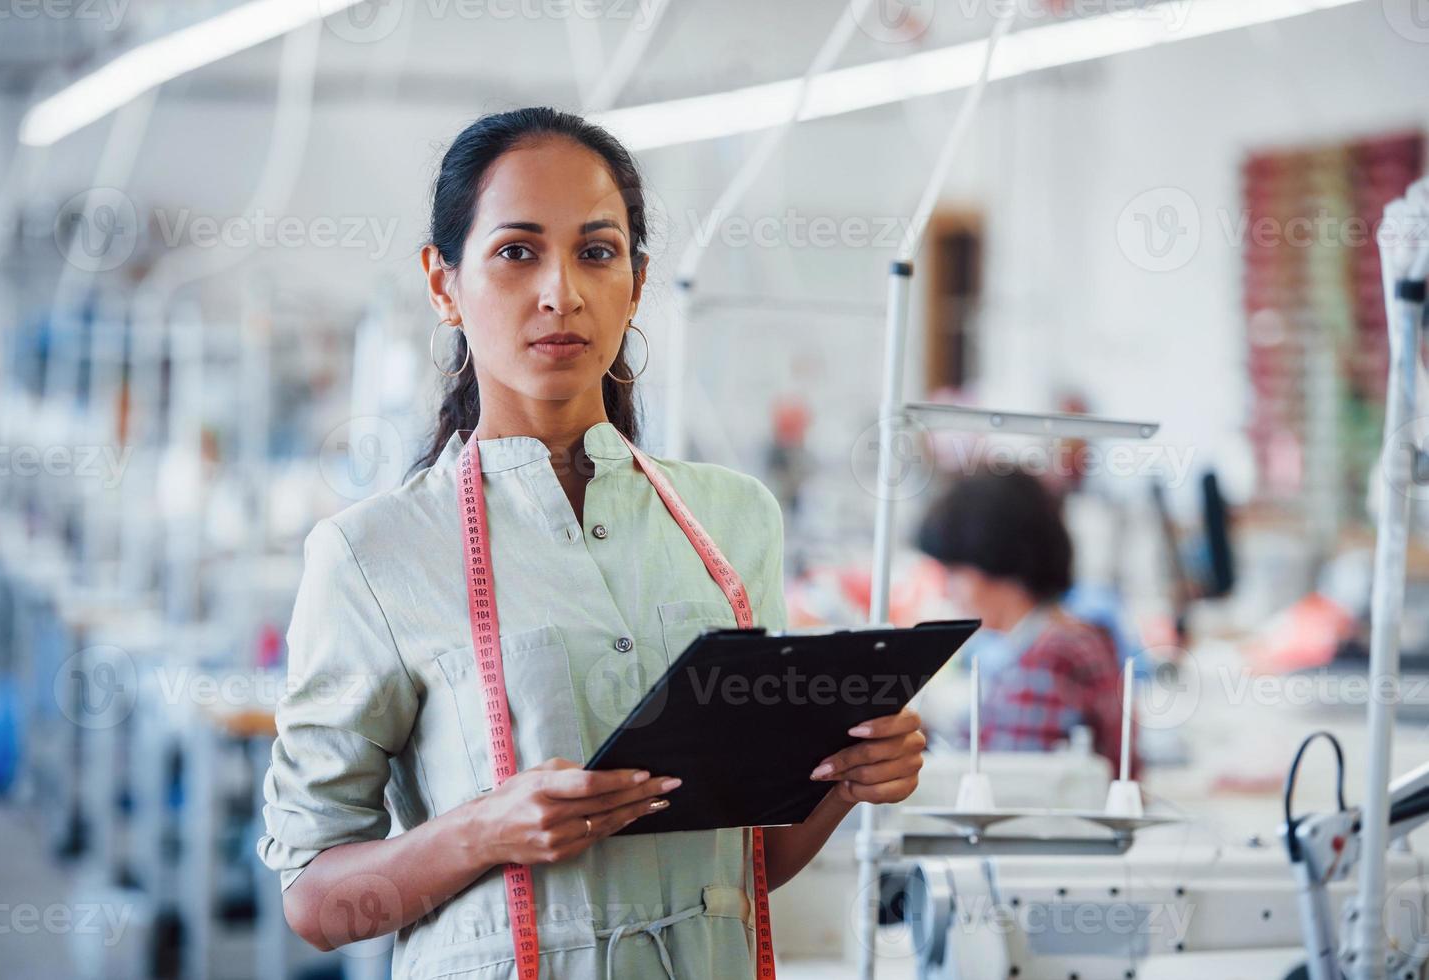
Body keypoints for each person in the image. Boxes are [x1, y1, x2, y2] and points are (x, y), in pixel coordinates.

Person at [257, 107, 927, 979]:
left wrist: (846, 780)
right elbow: (315, 902)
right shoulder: (372, 555)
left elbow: (742, 871)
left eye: (598, 252)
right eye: (517, 251)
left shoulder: (734, 521)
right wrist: (482, 831)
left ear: (637, 282)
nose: (561, 292)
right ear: (442, 280)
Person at [916, 470, 1137, 780]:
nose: (947, 589)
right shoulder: (1069, 636)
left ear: (993, 561)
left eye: (954, 571)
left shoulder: (1050, 658)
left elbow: (1007, 788)